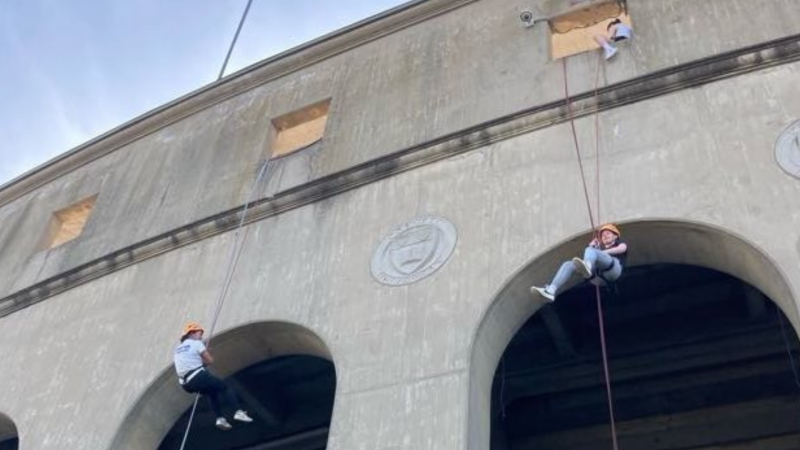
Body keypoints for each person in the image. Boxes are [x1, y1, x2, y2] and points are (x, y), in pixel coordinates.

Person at [173, 322, 254, 430]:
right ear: (191, 333)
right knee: (225, 388)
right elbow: (210, 361)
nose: (201, 337)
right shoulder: (196, 343)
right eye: (199, 333)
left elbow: (188, 363)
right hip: (197, 377)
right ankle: (238, 411)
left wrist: (200, 358)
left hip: (186, 384)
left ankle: (220, 419)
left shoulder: (177, 350)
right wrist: (206, 354)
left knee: (212, 392)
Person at [530, 223, 628, 302]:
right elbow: (593, 252)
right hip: (599, 279)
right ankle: (551, 290)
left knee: (591, 251)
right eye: (602, 235)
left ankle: (588, 266)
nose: (604, 236)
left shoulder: (618, 244)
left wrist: (598, 252)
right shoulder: (597, 249)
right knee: (568, 264)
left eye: (608, 233)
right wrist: (592, 247)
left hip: (614, 270)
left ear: (615, 236)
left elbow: (622, 249)